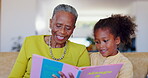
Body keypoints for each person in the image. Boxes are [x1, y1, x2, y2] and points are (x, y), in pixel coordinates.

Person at [8, 4, 90, 78]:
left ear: (73, 29)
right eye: (58, 26)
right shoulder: (30, 42)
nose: (62, 31)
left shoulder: (80, 51)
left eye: (68, 28)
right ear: (50, 23)